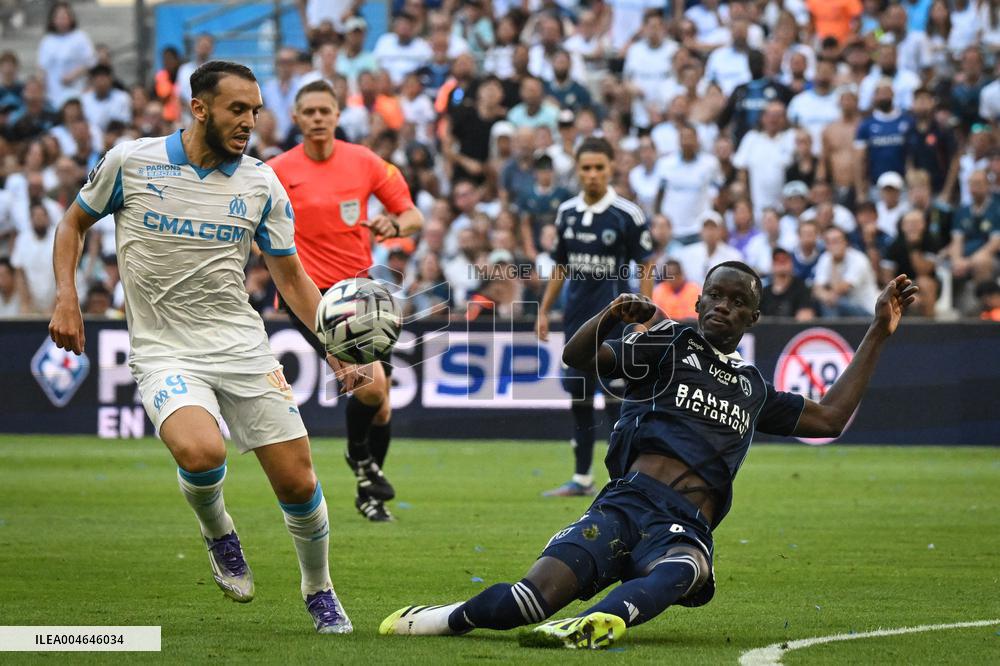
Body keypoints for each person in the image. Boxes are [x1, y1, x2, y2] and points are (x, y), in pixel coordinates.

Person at [380, 263, 918, 649]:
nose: (723, 307)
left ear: (752, 318)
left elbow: (829, 418)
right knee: (527, 601)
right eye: (716, 297)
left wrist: (877, 332)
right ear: (700, 301)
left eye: (737, 303)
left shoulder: (754, 388)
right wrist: (613, 313)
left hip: (682, 526)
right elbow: (578, 357)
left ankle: (593, 622)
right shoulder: (669, 342)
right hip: (625, 506)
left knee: (686, 568)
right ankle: (447, 617)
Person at [46, 61, 352, 634]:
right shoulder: (131, 161)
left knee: (298, 482)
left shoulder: (260, 181)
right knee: (202, 451)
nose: (249, 122)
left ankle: (319, 589)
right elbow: (71, 225)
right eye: (238, 109)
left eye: (256, 111)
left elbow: (291, 279)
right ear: (199, 108)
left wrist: (333, 344)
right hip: (165, 350)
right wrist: (67, 296)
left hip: (242, 347)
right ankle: (219, 533)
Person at [267, 80, 424, 522]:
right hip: (311, 297)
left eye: (325, 111)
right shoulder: (276, 170)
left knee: (381, 402)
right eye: (309, 111)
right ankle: (360, 462)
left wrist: (396, 227)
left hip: (363, 294)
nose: (317, 118)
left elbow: (413, 215)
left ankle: (367, 490)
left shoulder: (365, 162)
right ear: (296, 118)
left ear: (338, 116)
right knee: (371, 386)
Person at [535, 137, 655, 497]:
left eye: (599, 168)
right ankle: (582, 478)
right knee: (580, 399)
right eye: (586, 168)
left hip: (616, 323)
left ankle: (621, 479)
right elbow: (561, 266)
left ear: (611, 167)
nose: (592, 175)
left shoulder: (626, 214)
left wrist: (643, 316)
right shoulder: (567, 212)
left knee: (617, 404)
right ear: (577, 169)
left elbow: (645, 264)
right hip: (576, 321)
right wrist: (543, 310)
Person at [760, 248, 816, 319]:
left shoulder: (801, 288)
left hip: (794, 329)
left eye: (785, 260)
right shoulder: (764, 292)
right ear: (772, 265)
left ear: (791, 264)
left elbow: (806, 315)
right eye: (777, 261)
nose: (781, 264)